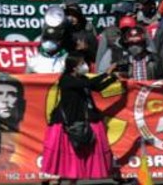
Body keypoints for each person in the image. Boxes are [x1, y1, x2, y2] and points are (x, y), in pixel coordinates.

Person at [41, 55, 119, 183]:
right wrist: (106, 73)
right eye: (81, 63)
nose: (85, 66)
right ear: (73, 67)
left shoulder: (81, 78)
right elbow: (89, 83)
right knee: (67, 151)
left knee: (80, 151)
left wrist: (113, 78)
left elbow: (97, 87)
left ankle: (72, 179)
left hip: (84, 118)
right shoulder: (66, 79)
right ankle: (55, 176)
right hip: (69, 120)